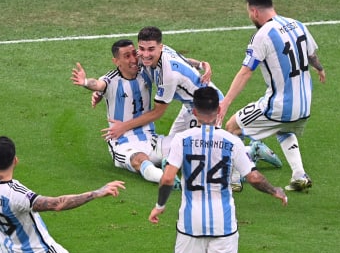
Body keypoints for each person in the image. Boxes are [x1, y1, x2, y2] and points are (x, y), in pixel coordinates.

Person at [148, 87, 287, 253]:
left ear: (195, 112)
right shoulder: (232, 142)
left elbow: (166, 179)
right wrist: (275, 191)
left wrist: (160, 206)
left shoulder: (183, 139)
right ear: (219, 111)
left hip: (190, 220)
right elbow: (254, 177)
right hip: (224, 222)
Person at [103, 26, 283, 187]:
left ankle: (249, 154)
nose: (145, 54)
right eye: (141, 49)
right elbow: (183, 59)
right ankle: (249, 151)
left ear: (160, 47)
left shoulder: (168, 75)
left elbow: (158, 112)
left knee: (210, 157)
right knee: (179, 150)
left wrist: (123, 127)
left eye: (151, 49)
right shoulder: (160, 53)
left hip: (208, 108)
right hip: (190, 106)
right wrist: (202, 64)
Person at [218, 0, 327, 192]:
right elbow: (312, 55)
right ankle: (299, 175)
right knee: (284, 128)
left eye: (249, 12)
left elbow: (245, 73)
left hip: (279, 106)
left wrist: (225, 103)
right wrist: (320, 69)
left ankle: (233, 180)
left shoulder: (262, 35)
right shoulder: (298, 25)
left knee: (232, 127)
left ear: (255, 11)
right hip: (304, 107)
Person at [71, 39, 171, 186]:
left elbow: (170, 61)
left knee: (186, 143)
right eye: (127, 56)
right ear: (116, 61)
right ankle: (166, 179)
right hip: (123, 141)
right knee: (141, 159)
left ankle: (168, 164)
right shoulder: (111, 80)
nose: (133, 60)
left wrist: (199, 65)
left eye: (133, 54)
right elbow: (98, 84)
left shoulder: (145, 71)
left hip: (152, 139)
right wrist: (86, 82)